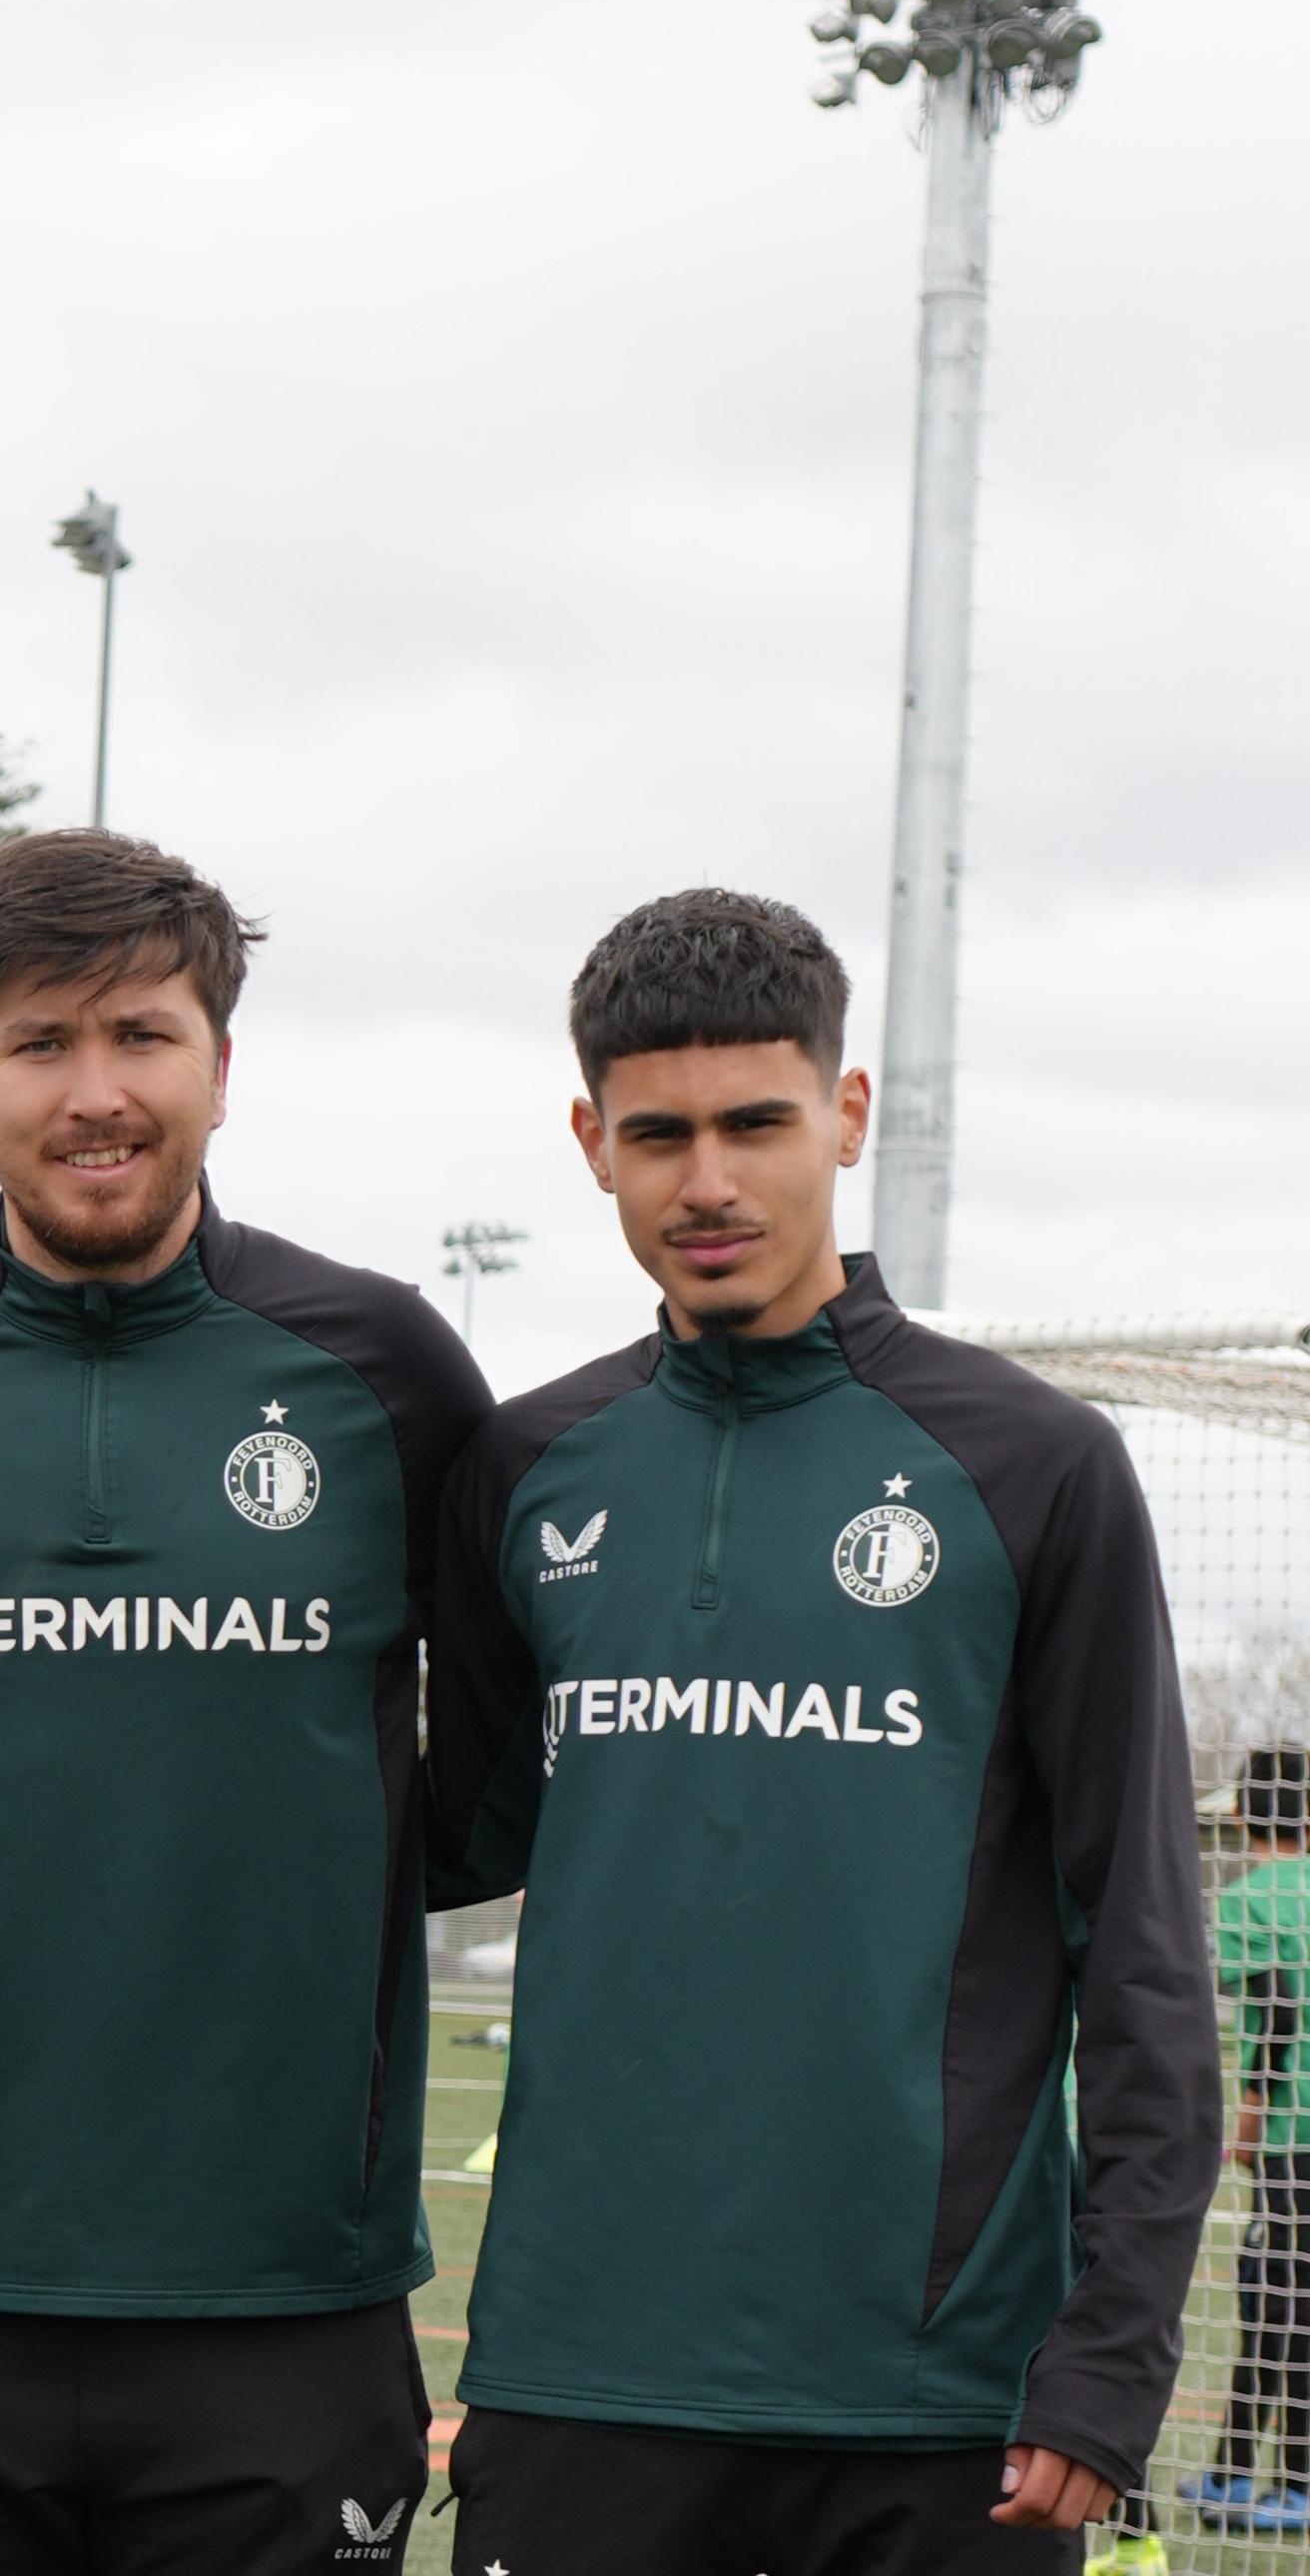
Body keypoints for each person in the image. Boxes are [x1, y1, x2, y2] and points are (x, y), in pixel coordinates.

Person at [424, 888, 1216, 2571]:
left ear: (844, 1118)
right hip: (584, 2380)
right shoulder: (525, 1469)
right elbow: (429, 1841)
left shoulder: (1034, 1469)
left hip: (934, 2403)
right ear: (593, 1143)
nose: (709, 1182)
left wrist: (1113, 2348)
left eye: (755, 1123)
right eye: (659, 1135)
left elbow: (1141, 1942)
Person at [0, 828, 491, 2576]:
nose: (97, 1093)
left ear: (221, 1064)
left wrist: (338, 1862)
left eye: (142, 1036)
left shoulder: (382, 1367)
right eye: (40, 1044)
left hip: (282, 2294)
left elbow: (518, 1730)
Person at [1191, 1746, 1310, 2534]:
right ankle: (1242, 2469)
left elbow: (1276, 2007)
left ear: (1239, 1816)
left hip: (1293, 2135)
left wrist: (1251, 2112)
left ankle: (1275, 2478)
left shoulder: (1246, 1901)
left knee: (1277, 2292)